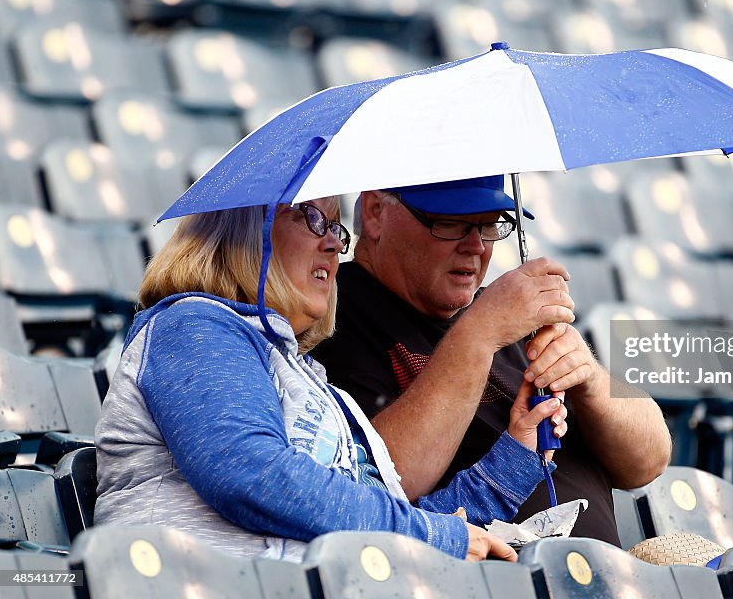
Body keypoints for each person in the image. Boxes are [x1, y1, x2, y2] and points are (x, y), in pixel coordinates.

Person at [94, 198, 568, 562]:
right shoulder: (195, 326)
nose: (332, 243)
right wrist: (434, 537)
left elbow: (395, 516)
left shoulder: (311, 377)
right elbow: (254, 477)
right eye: (311, 219)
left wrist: (518, 453)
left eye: (336, 227)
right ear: (243, 231)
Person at [314, 175, 672, 545]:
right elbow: (381, 482)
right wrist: (480, 332)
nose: (476, 247)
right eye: (450, 224)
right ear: (375, 212)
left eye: (489, 226)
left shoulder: (507, 314)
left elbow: (650, 462)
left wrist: (590, 379)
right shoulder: (328, 318)